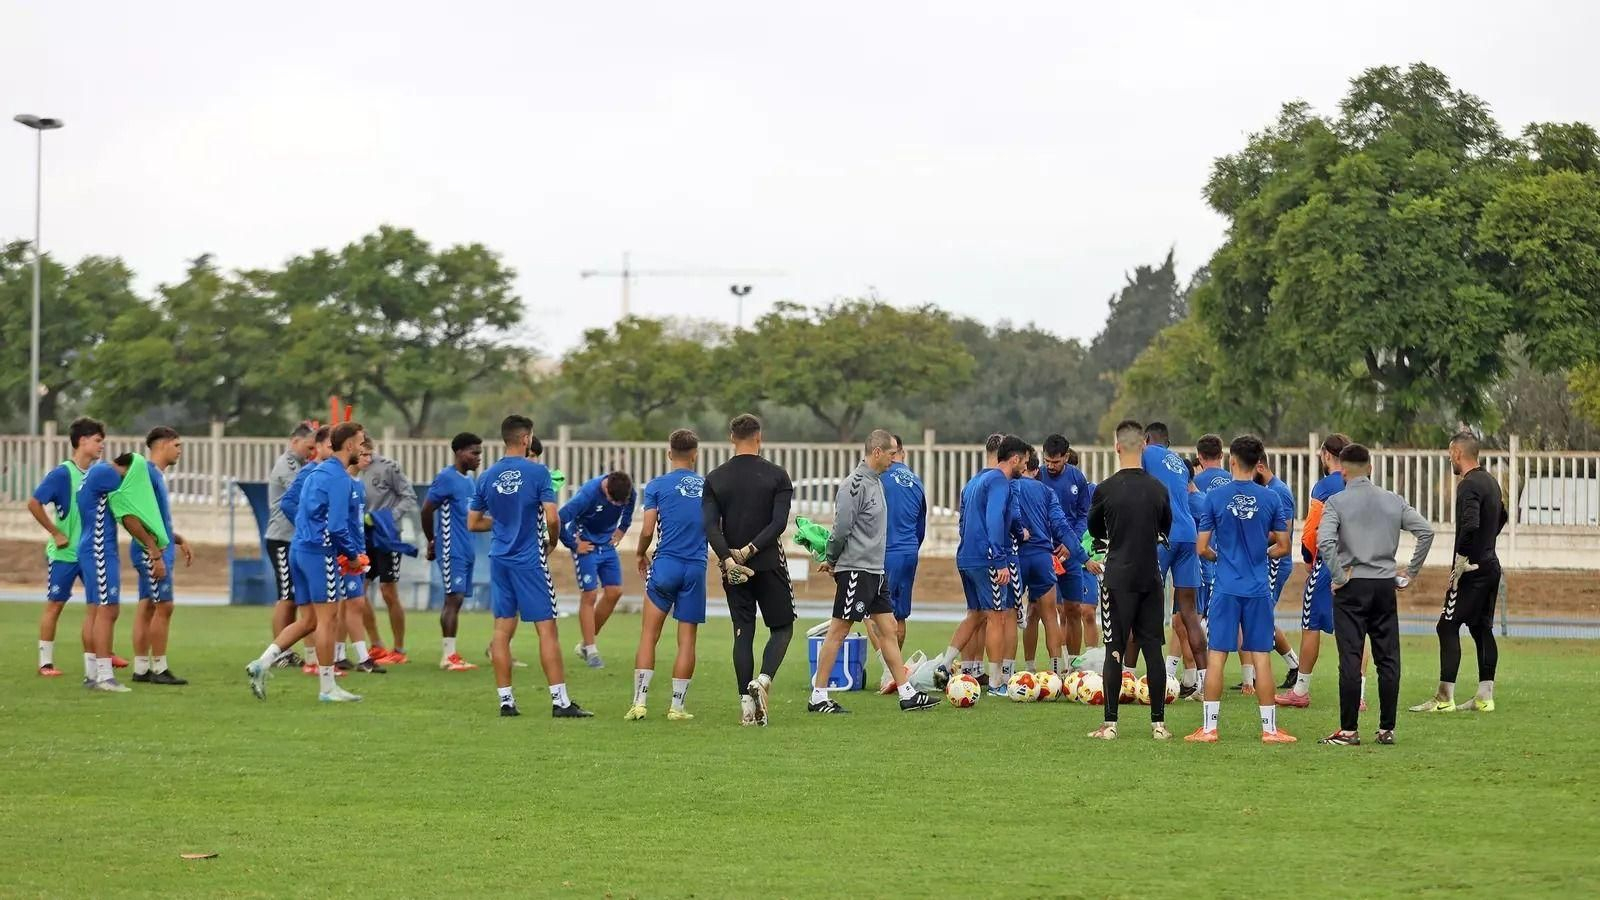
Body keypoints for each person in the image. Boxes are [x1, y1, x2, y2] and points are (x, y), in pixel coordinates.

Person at [808, 430, 940, 714]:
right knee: (838, 631)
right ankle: (818, 696)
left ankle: (906, 692)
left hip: (875, 570)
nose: (895, 460)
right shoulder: (853, 485)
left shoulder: (877, 482)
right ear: (877, 452)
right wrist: (832, 559)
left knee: (889, 629)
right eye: (892, 454)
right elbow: (841, 528)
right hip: (857, 569)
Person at [471, 415, 591, 718]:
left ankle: (506, 701)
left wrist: (502, 523)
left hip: (499, 558)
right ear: (526, 439)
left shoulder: (486, 476)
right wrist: (552, 542)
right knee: (547, 629)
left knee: (501, 630)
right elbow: (553, 517)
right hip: (528, 558)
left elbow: (473, 522)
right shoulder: (538, 473)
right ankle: (560, 701)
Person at [1315, 443, 1434, 745]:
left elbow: (1325, 541)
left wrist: (1339, 576)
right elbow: (1425, 531)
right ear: (1370, 467)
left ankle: (1349, 729)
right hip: (1384, 584)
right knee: (1388, 658)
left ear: (1342, 471)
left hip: (1352, 585)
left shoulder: (1337, 502)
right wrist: (1411, 572)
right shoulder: (1392, 500)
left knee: (1351, 659)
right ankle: (1386, 728)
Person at [245, 422, 369, 703]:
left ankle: (261, 664)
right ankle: (328, 688)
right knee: (329, 619)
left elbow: (294, 505)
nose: (363, 449)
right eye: (361, 443)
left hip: (299, 549)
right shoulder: (339, 478)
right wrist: (351, 556)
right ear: (349, 445)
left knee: (309, 621)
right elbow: (337, 527)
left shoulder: (315, 470)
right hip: (319, 552)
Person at [1187, 435, 1295, 744]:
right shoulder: (1271, 498)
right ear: (1258, 462)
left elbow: (1202, 547)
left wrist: (1220, 557)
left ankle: (1209, 729)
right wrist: (1262, 551)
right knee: (1261, 655)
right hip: (1258, 587)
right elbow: (1284, 545)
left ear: (1232, 460)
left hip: (1225, 588)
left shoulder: (1214, 498)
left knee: (1218, 654)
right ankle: (1270, 730)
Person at [702, 414, 796, 727]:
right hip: (768, 563)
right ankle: (763, 681)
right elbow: (778, 523)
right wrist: (750, 550)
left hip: (733, 570)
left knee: (743, 632)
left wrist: (729, 559)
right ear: (759, 437)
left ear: (732, 438)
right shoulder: (777, 476)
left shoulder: (716, 478)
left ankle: (746, 704)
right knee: (782, 628)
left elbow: (710, 526)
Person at [1086, 420, 1172, 741]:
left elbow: (1095, 529)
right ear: (1145, 446)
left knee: (1115, 650)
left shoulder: (1105, 489)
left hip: (1117, 578)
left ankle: (1110, 724)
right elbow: (1165, 526)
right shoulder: (1158, 489)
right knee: (1153, 649)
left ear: (1117, 446)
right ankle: (1158, 725)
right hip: (1151, 577)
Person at [1411, 432, 1508, 713]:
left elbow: (1469, 523)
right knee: (1481, 629)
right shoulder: (1491, 482)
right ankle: (1484, 697)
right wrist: (1486, 545)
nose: (1449, 459)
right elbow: (1501, 516)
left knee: (1447, 625)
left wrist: (1462, 560)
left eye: (1449, 453)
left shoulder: (1468, 485)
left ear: (1456, 453)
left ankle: (1444, 698)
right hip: (1491, 565)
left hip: (1472, 569)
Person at [926, 435, 1027, 696]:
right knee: (997, 616)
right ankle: (996, 683)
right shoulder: (998, 482)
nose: (1025, 468)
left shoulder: (974, 482)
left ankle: (945, 665)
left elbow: (963, 522)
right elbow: (994, 520)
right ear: (1014, 459)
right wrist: (999, 559)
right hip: (987, 558)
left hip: (966, 557)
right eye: (1024, 462)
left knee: (975, 614)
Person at [626, 429, 709, 721]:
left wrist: (639, 552)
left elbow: (648, 529)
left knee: (649, 635)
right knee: (686, 641)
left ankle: (639, 703)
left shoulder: (657, 485)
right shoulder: (708, 486)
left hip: (666, 564)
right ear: (695, 454)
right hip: (695, 567)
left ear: (669, 453)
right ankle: (677, 706)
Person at [80, 451, 169, 692]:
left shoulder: (98, 473)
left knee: (97, 610)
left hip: (93, 546)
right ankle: (104, 677)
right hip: (99, 548)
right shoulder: (109, 474)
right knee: (108, 609)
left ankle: (92, 674)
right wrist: (153, 548)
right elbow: (128, 516)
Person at [27, 416, 106, 678]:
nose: (101, 446)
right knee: (55, 604)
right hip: (64, 554)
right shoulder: (62, 473)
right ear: (82, 442)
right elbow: (34, 503)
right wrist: (55, 532)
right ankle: (45, 663)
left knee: (98, 606)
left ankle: (95, 665)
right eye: (97, 441)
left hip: (90, 552)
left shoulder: (97, 474)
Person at [1276, 433, 1350, 710]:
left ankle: (1301, 689)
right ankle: (1361, 693)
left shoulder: (1325, 487)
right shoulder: (1357, 484)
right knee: (1355, 629)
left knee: (1311, 625)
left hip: (1327, 564)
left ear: (1328, 455)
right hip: (1356, 564)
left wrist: (1309, 557)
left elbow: (1311, 531)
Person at [1141, 422, 1207, 696]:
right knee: (1189, 612)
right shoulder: (1180, 462)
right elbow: (1192, 497)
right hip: (1187, 534)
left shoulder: (1145, 455)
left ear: (1146, 440)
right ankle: (1205, 682)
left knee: (1145, 604)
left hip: (1162, 536)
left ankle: (1134, 678)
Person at [129, 427, 194, 685]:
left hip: (156, 548)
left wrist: (177, 539)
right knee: (164, 606)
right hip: (152, 551)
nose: (180, 451)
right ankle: (159, 668)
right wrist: (155, 554)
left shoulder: (155, 475)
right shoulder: (146, 473)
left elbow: (154, 519)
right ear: (163, 445)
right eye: (177, 445)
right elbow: (135, 517)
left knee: (147, 606)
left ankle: (141, 668)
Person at [559, 470, 636, 669]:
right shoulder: (587, 495)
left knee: (614, 592)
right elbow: (558, 519)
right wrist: (573, 544)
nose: (619, 506)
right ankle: (592, 650)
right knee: (590, 595)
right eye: (615, 502)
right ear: (606, 491)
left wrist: (621, 530)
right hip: (587, 546)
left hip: (607, 545)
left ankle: (585, 643)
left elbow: (628, 509)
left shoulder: (626, 490)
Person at [421, 432, 483, 671]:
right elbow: (427, 510)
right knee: (453, 598)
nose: (478, 458)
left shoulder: (468, 482)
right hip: (451, 548)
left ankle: (452, 654)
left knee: (456, 601)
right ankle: (448, 656)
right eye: (474, 453)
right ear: (459, 453)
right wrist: (431, 541)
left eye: (479, 453)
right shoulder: (446, 478)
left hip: (466, 549)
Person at [279, 425, 333, 673]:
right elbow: (288, 502)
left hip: (310, 545)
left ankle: (263, 662)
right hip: (306, 545)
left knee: (312, 617)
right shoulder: (311, 472)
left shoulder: (336, 475)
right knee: (315, 613)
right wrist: (307, 527)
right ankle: (322, 669)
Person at [876, 433, 927, 693]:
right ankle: (892, 671)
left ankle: (889, 672)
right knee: (900, 612)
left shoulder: (879, 479)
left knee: (875, 611)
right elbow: (921, 526)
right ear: (903, 453)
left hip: (886, 551)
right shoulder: (916, 482)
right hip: (909, 551)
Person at [1016, 451, 1075, 674]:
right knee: (1050, 614)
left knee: (1015, 615)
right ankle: (1056, 670)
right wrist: (1076, 549)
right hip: (1043, 555)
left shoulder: (1011, 486)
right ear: (1036, 470)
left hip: (1018, 555)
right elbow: (1060, 524)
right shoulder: (1046, 491)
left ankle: (1012, 672)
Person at [265, 423, 315, 668]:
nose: (311, 452)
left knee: (295, 596)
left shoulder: (304, 465)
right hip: (282, 538)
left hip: (294, 539)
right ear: (295, 441)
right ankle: (279, 652)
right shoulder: (288, 465)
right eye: (309, 447)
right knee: (286, 595)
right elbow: (302, 493)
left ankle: (286, 649)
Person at [1035, 434, 1090, 659]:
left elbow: (1084, 515)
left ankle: (1074, 665)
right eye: (1047, 460)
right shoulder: (1037, 476)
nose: (1051, 466)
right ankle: (1055, 664)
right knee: (1042, 611)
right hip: (1044, 552)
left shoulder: (1078, 478)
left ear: (1066, 457)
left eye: (1055, 462)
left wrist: (1071, 543)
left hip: (1070, 553)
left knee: (1073, 609)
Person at [362, 449, 418, 663]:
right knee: (358, 592)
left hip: (387, 537)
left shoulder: (388, 467)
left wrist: (386, 517)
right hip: (363, 538)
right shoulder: (348, 469)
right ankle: (376, 644)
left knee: (388, 591)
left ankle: (399, 650)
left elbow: (409, 496)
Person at [1254, 456, 1302, 693]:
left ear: (1260, 467)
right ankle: (1290, 665)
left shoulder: (1278, 492)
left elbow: (1284, 530)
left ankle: (1294, 667)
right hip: (1265, 560)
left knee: (1261, 617)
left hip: (1275, 561)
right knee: (1259, 617)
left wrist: (1251, 540)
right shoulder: (1267, 489)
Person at [342, 439, 386, 674]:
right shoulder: (343, 483)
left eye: (371, 455)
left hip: (358, 552)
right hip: (345, 554)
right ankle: (362, 658)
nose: (369, 459)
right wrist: (348, 552)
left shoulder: (358, 484)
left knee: (350, 604)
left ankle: (340, 655)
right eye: (365, 454)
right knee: (355, 603)